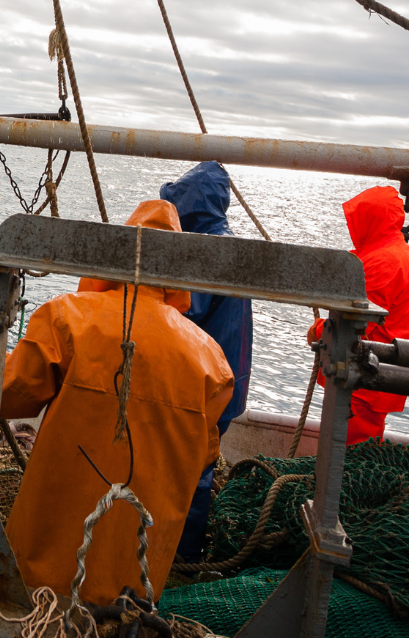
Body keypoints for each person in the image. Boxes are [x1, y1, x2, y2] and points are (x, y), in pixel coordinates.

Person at [0, 200, 234, 604]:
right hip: (135, 588)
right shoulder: (211, 360)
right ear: (177, 275)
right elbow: (204, 455)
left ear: (112, 257)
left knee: (33, 615)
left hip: (41, 578)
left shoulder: (69, 319)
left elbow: (0, 394)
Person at [158, 162, 253, 563]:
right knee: (198, 463)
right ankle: (182, 551)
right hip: (227, 380)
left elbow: (183, 312)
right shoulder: (226, 242)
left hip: (206, 388)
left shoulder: (205, 251)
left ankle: (180, 557)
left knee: (189, 471)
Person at [310, 185, 409, 444]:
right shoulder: (393, 253)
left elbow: (356, 325)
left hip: (363, 380)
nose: (352, 227)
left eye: (357, 219)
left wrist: (317, 331)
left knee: (345, 459)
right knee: (351, 452)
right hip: (372, 377)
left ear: (370, 219)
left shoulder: (383, 262)